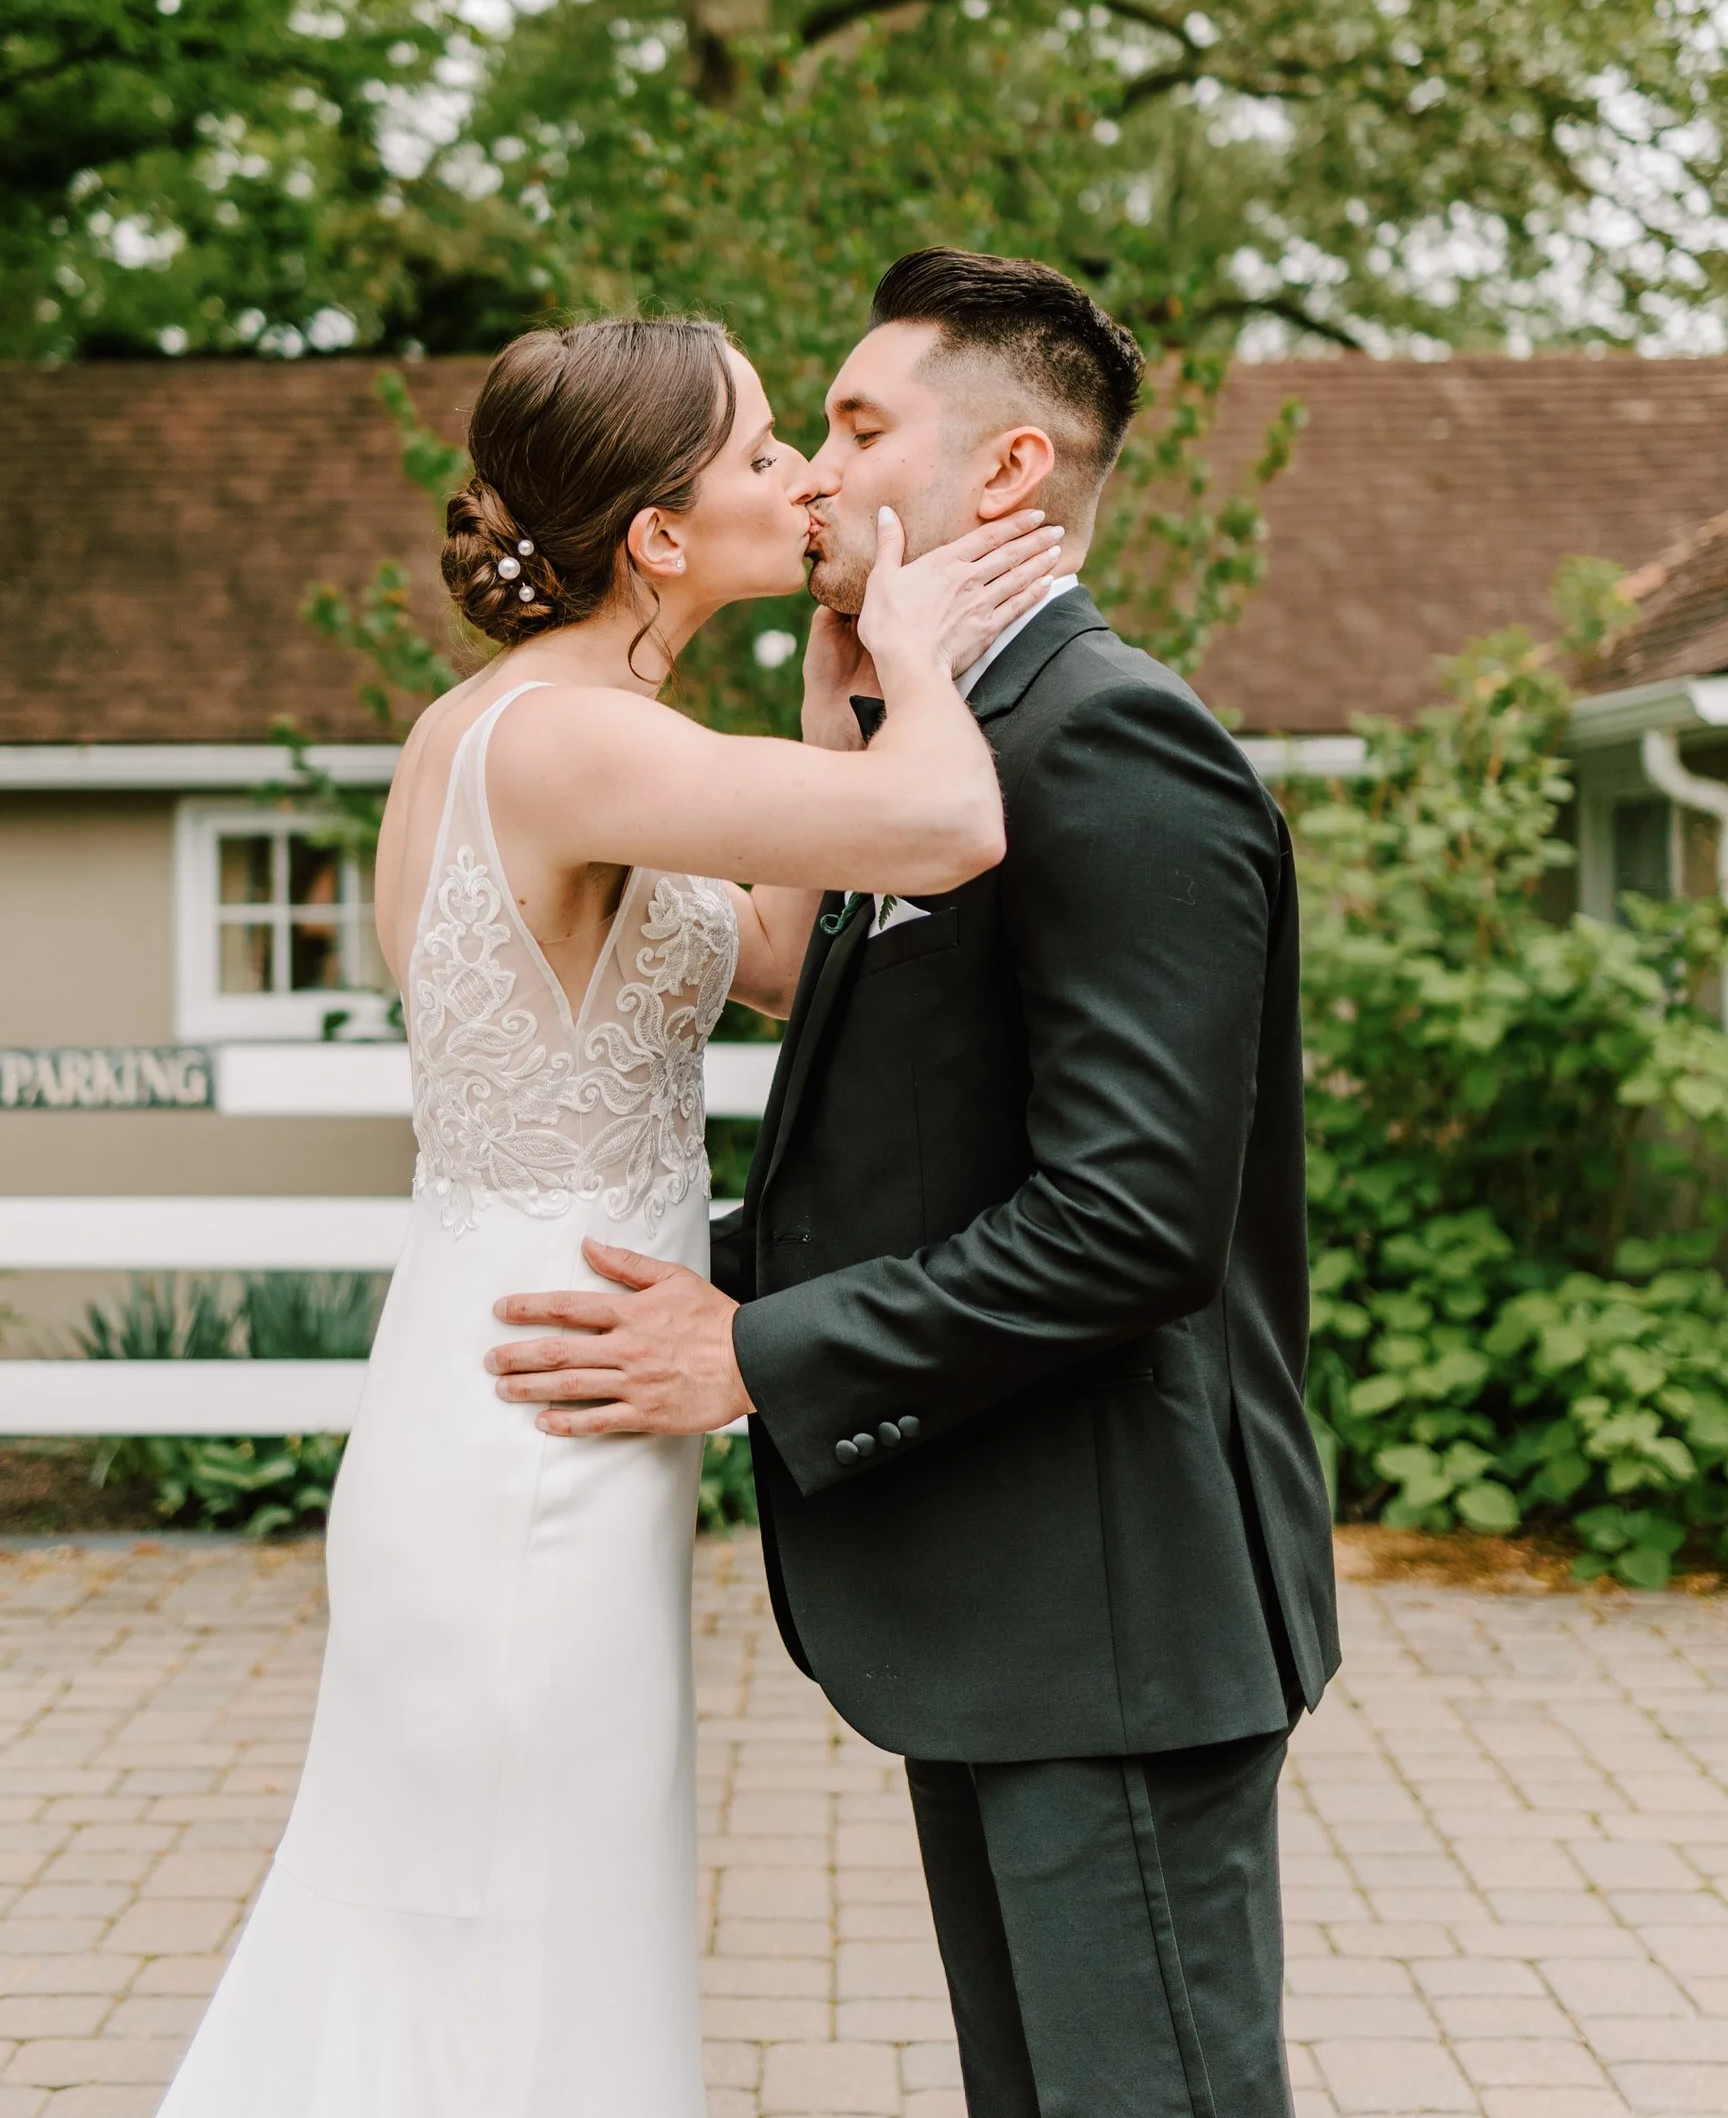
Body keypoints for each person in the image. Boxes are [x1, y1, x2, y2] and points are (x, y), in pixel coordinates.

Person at [155, 312, 1059, 2118]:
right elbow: (952, 823)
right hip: (533, 1423)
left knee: (506, 1913)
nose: (803, 475)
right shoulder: (567, 744)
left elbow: (793, 961)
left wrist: (821, 710)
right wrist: (908, 647)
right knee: (511, 1925)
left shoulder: (544, 732)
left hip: (532, 1385)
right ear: (659, 537)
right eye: (754, 455)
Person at [488, 250, 1342, 2118]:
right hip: (998, 1608)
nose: (814, 469)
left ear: (1008, 474)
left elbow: (1128, 1222)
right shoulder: (936, 746)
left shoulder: (1105, 740)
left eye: (857, 425)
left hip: (1111, 1615)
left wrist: (756, 1353)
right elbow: (900, 1136)